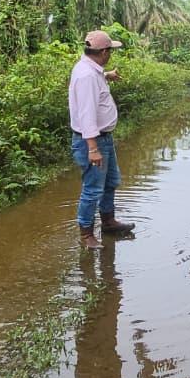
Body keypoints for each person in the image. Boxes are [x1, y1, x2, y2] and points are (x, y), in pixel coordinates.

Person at [69, 30, 135, 248]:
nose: (111, 54)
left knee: (109, 183)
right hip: (93, 141)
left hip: (102, 139)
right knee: (93, 189)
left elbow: (93, 84)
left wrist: (107, 75)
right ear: (104, 52)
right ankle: (87, 235)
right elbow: (86, 114)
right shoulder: (87, 75)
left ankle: (108, 222)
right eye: (111, 50)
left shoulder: (91, 70)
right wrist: (92, 148)